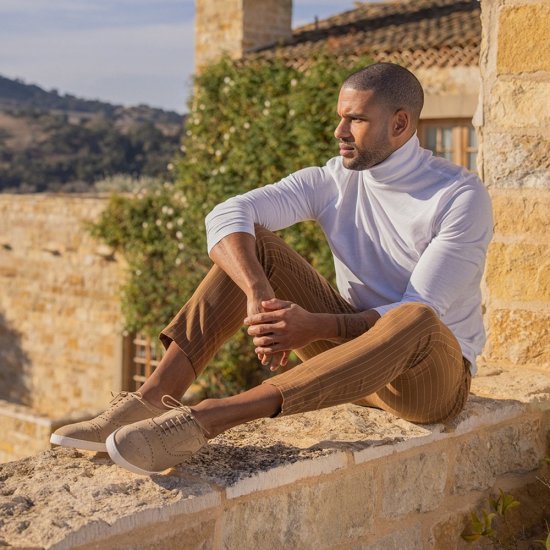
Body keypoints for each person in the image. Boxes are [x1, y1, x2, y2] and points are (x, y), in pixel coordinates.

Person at [50, 63, 493, 476]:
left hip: (424, 382)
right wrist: (256, 290)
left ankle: (208, 418)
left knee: (413, 317)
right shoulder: (333, 179)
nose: (339, 131)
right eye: (340, 118)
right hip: (344, 364)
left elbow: (421, 306)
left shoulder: (458, 195)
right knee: (249, 245)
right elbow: (228, 213)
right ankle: (151, 401)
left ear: (400, 124)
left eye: (355, 120)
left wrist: (313, 325)